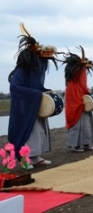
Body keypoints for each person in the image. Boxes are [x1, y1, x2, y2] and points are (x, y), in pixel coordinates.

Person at [8, 23, 58, 168]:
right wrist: (35, 94)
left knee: (39, 131)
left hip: (34, 104)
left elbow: (37, 85)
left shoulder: (36, 69)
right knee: (28, 132)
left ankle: (35, 156)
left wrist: (45, 91)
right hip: (24, 107)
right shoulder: (22, 70)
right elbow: (15, 87)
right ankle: (24, 158)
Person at [62, 46, 93, 152]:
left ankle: (84, 143)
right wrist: (87, 93)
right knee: (79, 120)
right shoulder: (79, 71)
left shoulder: (72, 76)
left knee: (84, 120)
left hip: (75, 95)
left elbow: (82, 84)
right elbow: (83, 85)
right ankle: (79, 145)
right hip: (76, 95)